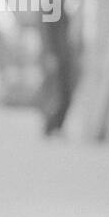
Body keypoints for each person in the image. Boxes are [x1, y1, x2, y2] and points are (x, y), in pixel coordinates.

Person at [39, 7, 78, 136]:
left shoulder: (62, 5)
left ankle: (56, 126)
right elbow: (46, 32)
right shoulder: (52, 4)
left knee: (64, 92)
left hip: (64, 57)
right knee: (56, 93)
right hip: (56, 58)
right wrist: (50, 54)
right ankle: (51, 126)